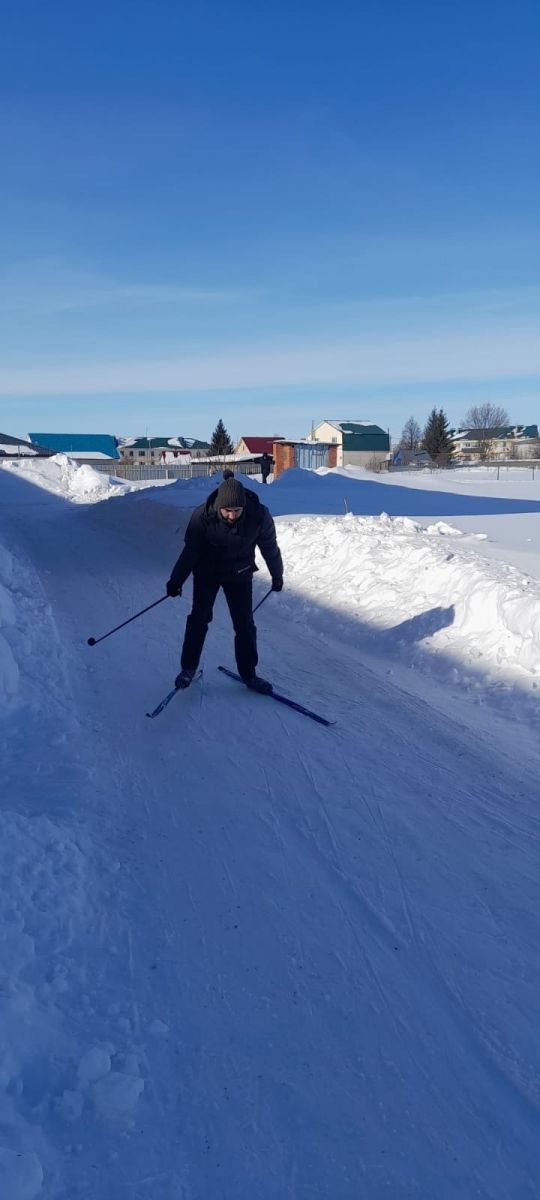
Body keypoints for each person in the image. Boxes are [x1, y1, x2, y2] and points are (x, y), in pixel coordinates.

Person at [166, 471, 283, 693]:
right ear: (219, 506)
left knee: (244, 624)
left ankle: (249, 674)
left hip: (240, 573)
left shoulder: (259, 516)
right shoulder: (202, 516)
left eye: (237, 511)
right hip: (207, 573)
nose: (231, 515)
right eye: (227, 510)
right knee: (199, 618)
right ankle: (188, 669)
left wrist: (277, 575)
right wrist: (176, 580)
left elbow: (269, 547)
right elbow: (190, 552)